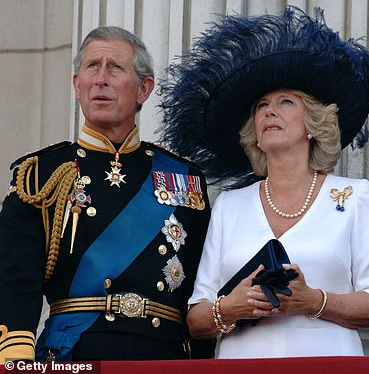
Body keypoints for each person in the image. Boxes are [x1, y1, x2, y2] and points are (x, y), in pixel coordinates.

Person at [158, 6, 369, 358]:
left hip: (327, 363)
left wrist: (311, 300)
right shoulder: (229, 205)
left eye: (286, 102)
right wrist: (231, 307)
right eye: (261, 106)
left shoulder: (354, 196)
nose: (270, 111)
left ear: (314, 123)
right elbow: (197, 317)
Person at [0, 26, 211, 363]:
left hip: (163, 357)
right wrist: (16, 359)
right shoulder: (41, 174)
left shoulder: (184, 178)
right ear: (77, 84)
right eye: (91, 67)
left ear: (144, 88)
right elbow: (15, 280)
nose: (100, 79)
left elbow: (201, 286)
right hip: (75, 352)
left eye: (115, 68)